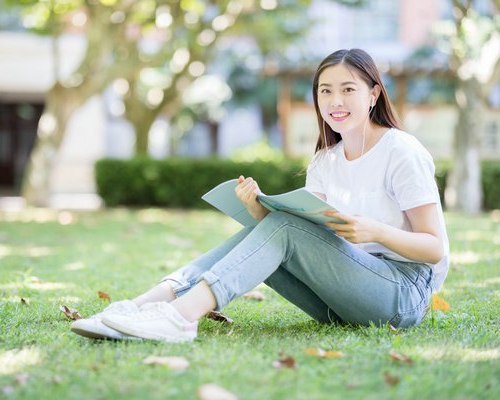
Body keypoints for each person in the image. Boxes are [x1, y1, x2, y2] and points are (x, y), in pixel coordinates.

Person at [71, 48, 450, 343]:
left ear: (373, 95)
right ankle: (139, 308)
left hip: (402, 294)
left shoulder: (401, 150)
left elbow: (434, 248)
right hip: (342, 297)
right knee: (273, 227)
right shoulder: (325, 159)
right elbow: (300, 237)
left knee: (284, 228)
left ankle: (179, 318)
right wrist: (256, 209)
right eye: (325, 91)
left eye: (348, 89)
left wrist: (377, 232)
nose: (336, 101)